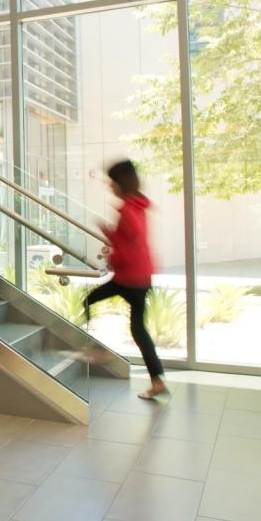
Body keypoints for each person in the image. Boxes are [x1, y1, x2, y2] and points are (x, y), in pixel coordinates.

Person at [88, 159, 168, 400]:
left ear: (120, 183)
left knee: (88, 300)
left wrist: (113, 256)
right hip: (142, 277)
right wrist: (109, 232)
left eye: (111, 182)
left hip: (129, 278)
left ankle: (94, 351)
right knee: (138, 330)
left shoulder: (127, 210)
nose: (110, 186)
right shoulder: (138, 206)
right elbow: (130, 237)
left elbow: (131, 245)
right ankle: (157, 381)